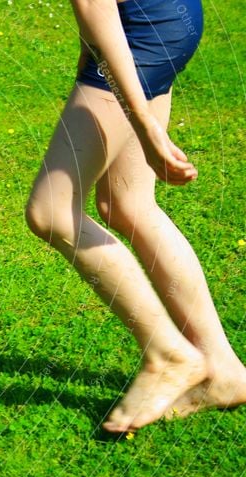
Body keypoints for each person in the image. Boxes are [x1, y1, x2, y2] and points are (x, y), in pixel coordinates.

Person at [25, 0, 246, 432]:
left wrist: (142, 123)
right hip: (161, 17)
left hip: (143, 29)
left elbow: (93, 3)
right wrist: (89, 58)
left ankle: (169, 355)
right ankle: (224, 370)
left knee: (50, 211)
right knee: (127, 204)